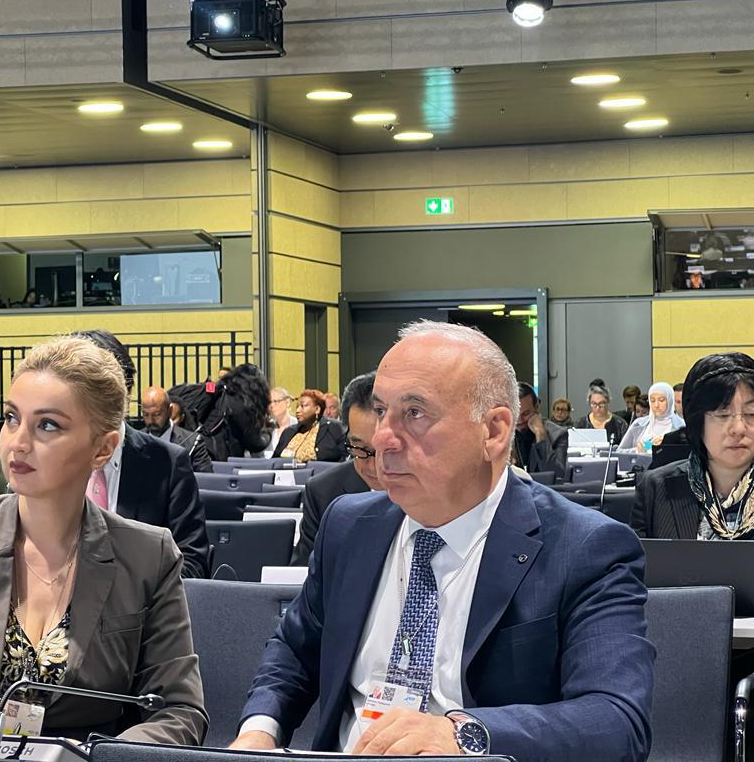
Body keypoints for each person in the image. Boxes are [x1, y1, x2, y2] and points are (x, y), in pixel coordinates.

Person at [231, 321, 654, 760]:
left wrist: (464, 735)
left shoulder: (584, 548)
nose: (382, 439)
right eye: (381, 411)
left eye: (414, 413)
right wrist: (259, 732)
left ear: (494, 431)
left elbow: (616, 722)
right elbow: (295, 650)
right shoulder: (349, 526)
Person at [0, 336, 207, 742]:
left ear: (103, 449)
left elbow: (179, 712)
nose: (18, 442)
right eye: (12, 418)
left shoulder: (148, 556)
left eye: (48, 425)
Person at [74, 330, 209, 579]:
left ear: (122, 392)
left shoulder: (167, 464)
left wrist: (131, 595)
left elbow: (192, 564)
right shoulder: (47, 463)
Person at [633, 353, 754, 539]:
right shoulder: (655, 488)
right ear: (697, 421)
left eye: (751, 413)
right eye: (723, 415)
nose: (738, 428)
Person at [292, 372, 382, 567]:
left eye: (384, 450)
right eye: (360, 449)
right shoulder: (323, 492)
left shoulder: (429, 487)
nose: (373, 465)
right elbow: (304, 571)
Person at [141, 386, 213, 473]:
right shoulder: (134, 440)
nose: (151, 420)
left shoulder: (193, 443)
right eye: (146, 414)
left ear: (170, 411)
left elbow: (205, 478)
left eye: (157, 414)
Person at [512, 382, 568, 481]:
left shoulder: (558, 434)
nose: (519, 420)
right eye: (515, 414)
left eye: (525, 413)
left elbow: (557, 475)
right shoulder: (503, 433)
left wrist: (540, 434)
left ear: (536, 406)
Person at [272, 389, 346, 463]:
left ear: (317, 409)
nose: (298, 410)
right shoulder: (289, 432)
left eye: (303, 406)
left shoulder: (334, 428)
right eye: (297, 407)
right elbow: (274, 461)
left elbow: (345, 460)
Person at [619, 381, 686, 453]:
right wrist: (636, 450)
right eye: (652, 400)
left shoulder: (682, 426)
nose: (656, 405)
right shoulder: (638, 424)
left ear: (670, 401)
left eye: (661, 400)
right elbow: (619, 451)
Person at [263, 387, 296, 458]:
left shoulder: (298, 426)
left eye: (275, 401)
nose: (272, 406)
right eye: (270, 402)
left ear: (287, 402)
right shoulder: (267, 427)